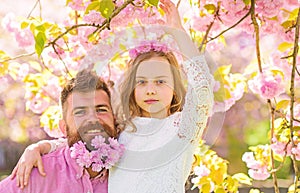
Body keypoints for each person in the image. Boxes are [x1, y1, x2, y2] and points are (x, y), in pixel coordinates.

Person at [10, 0, 214, 192]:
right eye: (141, 82)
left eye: (160, 81)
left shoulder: (182, 129)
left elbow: (203, 88)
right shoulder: (126, 129)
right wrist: (40, 147)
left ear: (175, 88)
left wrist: (178, 33)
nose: (150, 90)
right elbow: (84, 137)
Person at [0, 70, 120, 193]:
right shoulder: (37, 174)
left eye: (101, 109)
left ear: (115, 120)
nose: (93, 118)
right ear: (64, 128)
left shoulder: (130, 167)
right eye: (80, 112)